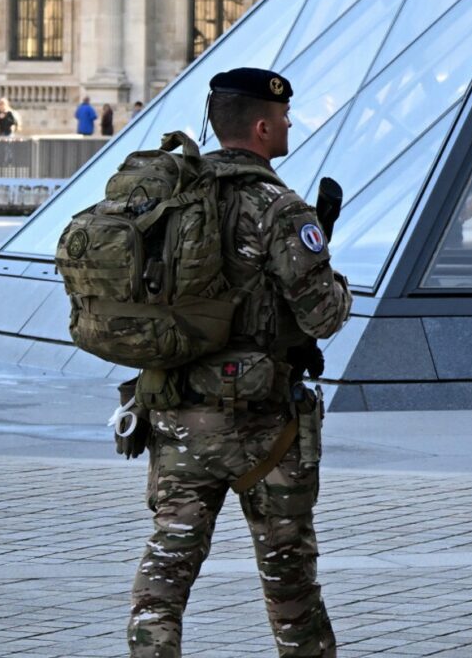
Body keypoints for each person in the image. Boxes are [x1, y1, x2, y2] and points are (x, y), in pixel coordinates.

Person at [128, 67, 352, 658]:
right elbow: (323, 315)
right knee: (289, 577)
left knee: (165, 576)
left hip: (177, 414)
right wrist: (338, 283)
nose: (289, 123)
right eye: (281, 116)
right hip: (263, 426)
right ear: (260, 125)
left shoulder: (169, 199)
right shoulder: (279, 207)